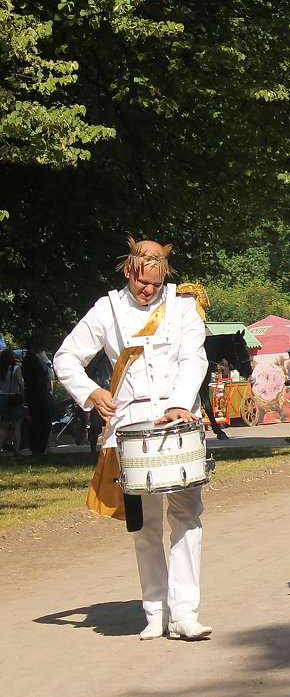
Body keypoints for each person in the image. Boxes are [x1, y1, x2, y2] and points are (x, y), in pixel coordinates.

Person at [53, 239, 212, 640]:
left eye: (156, 283)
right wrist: (91, 391)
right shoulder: (106, 309)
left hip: (177, 422)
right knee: (144, 523)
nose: (148, 290)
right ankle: (155, 611)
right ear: (129, 271)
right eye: (142, 281)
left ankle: (185, 612)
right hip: (129, 425)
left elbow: (195, 358)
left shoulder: (183, 306)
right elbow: (66, 357)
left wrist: (180, 403)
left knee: (187, 515)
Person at [0, 347, 25, 456]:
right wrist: (23, 394)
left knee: (3, 426)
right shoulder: (15, 368)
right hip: (14, 398)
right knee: (16, 425)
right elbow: (19, 382)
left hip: (2, 397)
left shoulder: (1, 369)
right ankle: (16, 450)